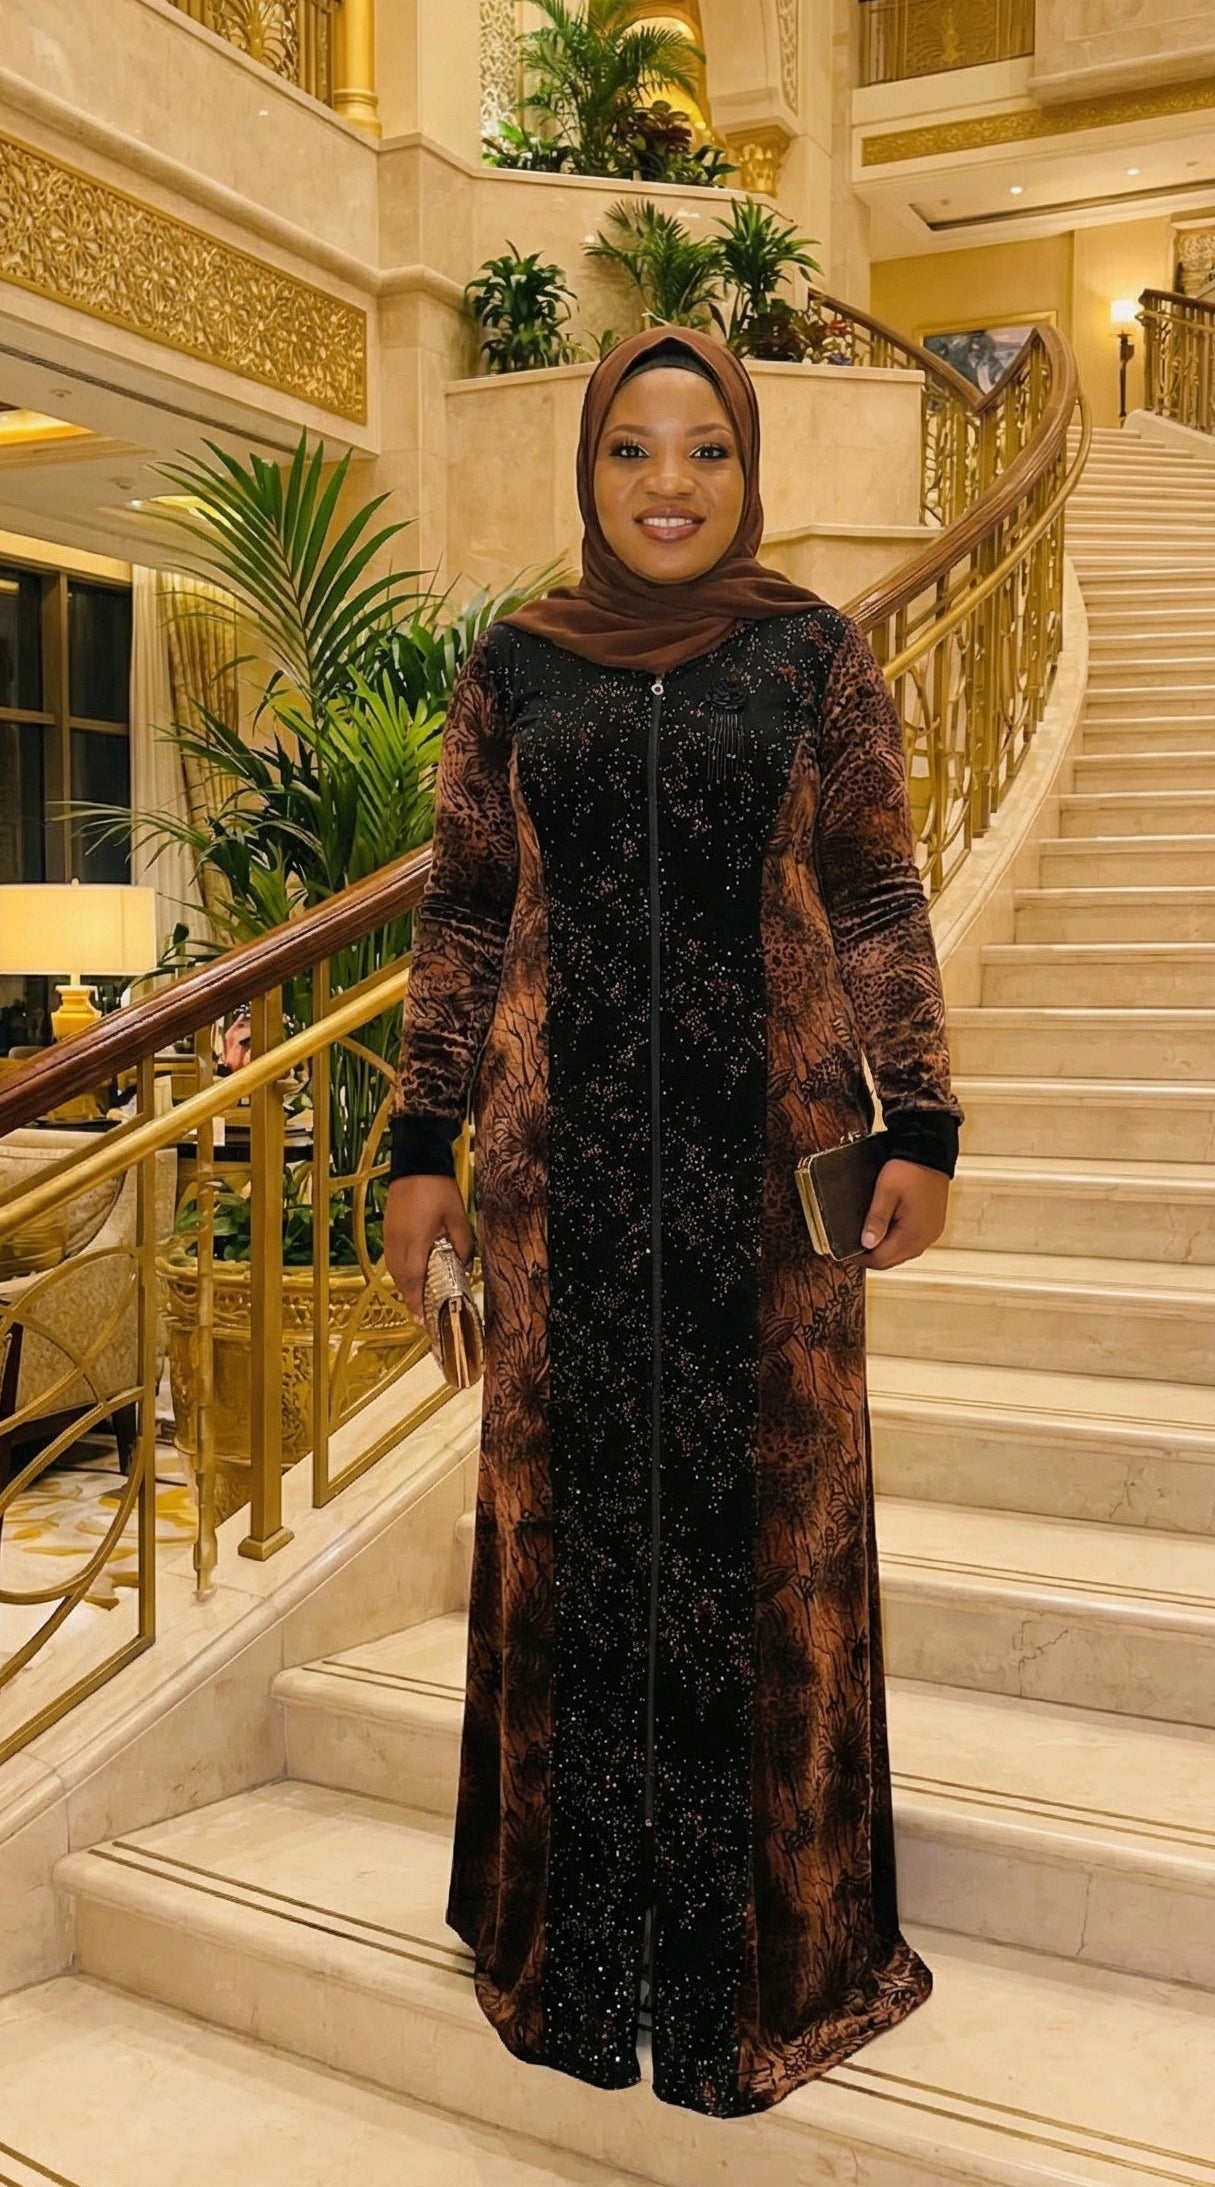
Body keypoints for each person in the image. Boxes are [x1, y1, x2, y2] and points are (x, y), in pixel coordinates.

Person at [384, 323, 964, 2120]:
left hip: (769, 1190)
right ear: (587, 467)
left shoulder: (812, 657)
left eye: (705, 448)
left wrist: (922, 1118)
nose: (668, 483)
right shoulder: (517, 668)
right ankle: (570, 1952)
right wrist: (418, 1144)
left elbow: (873, 889)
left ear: (748, 466)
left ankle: (768, 1962)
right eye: (632, 448)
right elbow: (466, 912)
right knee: (565, 1534)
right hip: (556, 1196)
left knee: (767, 1537)